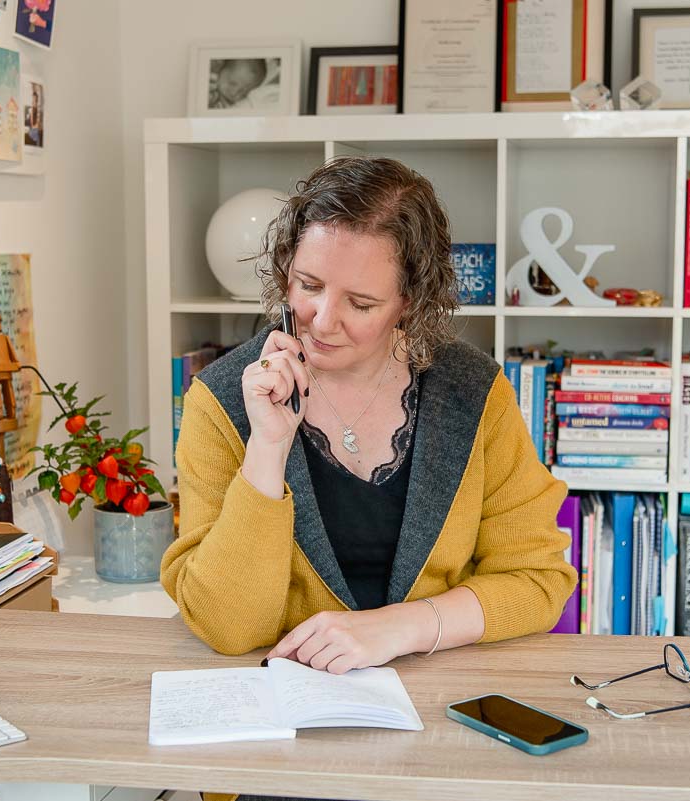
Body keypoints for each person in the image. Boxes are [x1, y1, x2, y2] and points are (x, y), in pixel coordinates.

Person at [164, 155, 575, 669]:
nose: (322, 320)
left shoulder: (473, 392)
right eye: (309, 285)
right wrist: (267, 450)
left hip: (440, 689)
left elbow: (537, 579)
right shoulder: (221, 400)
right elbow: (226, 627)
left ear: (409, 301)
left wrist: (399, 627)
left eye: (360, 303)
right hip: (286, 699)